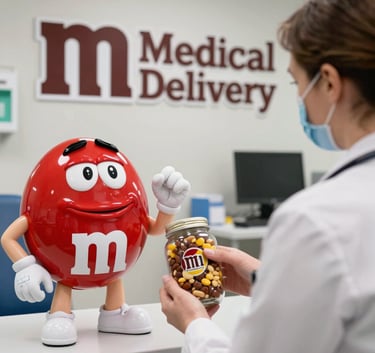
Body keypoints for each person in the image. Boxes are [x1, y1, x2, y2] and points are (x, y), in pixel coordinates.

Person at [159, 0, 375, 352]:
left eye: (297, 83)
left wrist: (194, 323)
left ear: (330, 83)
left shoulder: (314, 219)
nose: (300, 99)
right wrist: (268, 280)